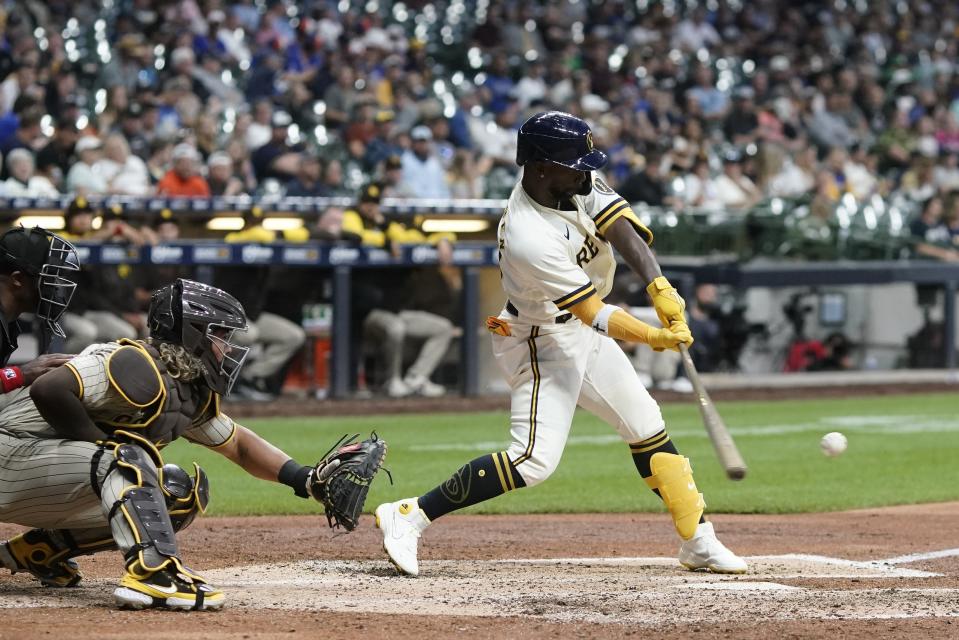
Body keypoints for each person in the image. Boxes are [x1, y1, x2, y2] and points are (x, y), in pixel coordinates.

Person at [374, 111, 746, 576]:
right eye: (577, 164)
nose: (587, 172)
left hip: (578, 330)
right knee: (532, 461)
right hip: (540, 339)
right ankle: (409, 515)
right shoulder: (530, 235)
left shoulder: (571, 182)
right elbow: (596, 314)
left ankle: (698, 540)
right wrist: (654, 336)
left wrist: (659, 287)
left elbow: (621, 227)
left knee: (647, 426)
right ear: (541, 166)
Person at [0, 279, 372, 610]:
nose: (227, 347)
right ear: (195, 333)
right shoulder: (130, 361)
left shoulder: (183, 385)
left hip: (35, 476)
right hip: (7, 456)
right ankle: (154, 574)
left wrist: (305, 479)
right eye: (221, 335)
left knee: (176, 491)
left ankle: (38, 552)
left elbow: (239, 444)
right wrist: (105, 450)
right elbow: (50, 389)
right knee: (128, 457)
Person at [0, 226, 79, 373]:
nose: (54, 288)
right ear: (17, 279)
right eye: (45, 279)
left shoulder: (8, 318)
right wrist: (20, 374)